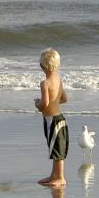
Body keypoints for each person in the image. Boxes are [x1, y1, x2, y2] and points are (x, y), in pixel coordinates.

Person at [35, 48, 69, 187]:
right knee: (55, 149)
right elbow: (64, 99)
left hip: (53, 121)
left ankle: (60, 177)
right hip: (58, 118)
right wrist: (54, 103)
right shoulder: (59, 81)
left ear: (42, 66)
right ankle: (54, 175)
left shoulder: (45, 83)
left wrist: (38, 104)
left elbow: (45, 103)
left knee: (57, 151)